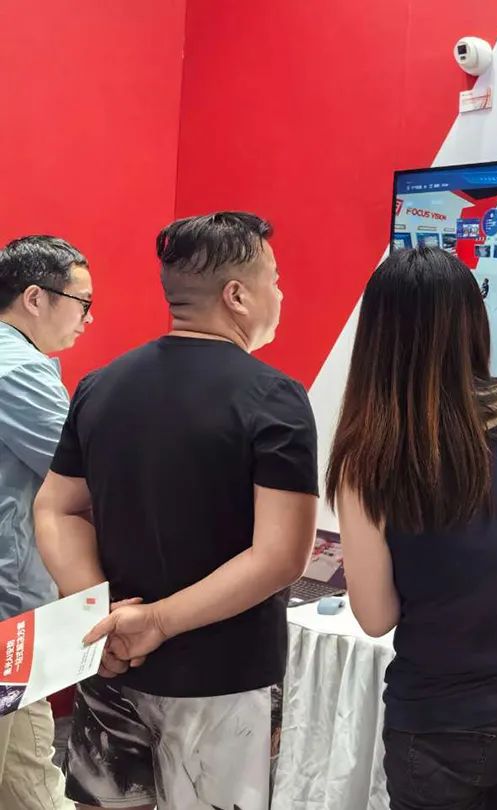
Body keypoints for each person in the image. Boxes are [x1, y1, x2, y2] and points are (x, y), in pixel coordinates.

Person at [34, 212, 318, 810]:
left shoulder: (100, 385)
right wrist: (156, 622)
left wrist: (99, 614)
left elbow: (58, 510)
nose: (281, 294)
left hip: (110, 666)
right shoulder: (275, 398)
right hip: (224, 681)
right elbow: (282, 555)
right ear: (237, 295)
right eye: (274, 279)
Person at [325, 247, 497, 810]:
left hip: (436, 725)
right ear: (472, 322)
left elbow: (375, 618)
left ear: (376, 336)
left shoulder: (369, 458)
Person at [0, 235, 93, 810]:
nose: (88, 318)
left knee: (29, 767)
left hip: (17, 613)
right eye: (83, 302)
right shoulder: (18, 372)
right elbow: (87, 473)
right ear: (35, 298)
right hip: (6, 611)